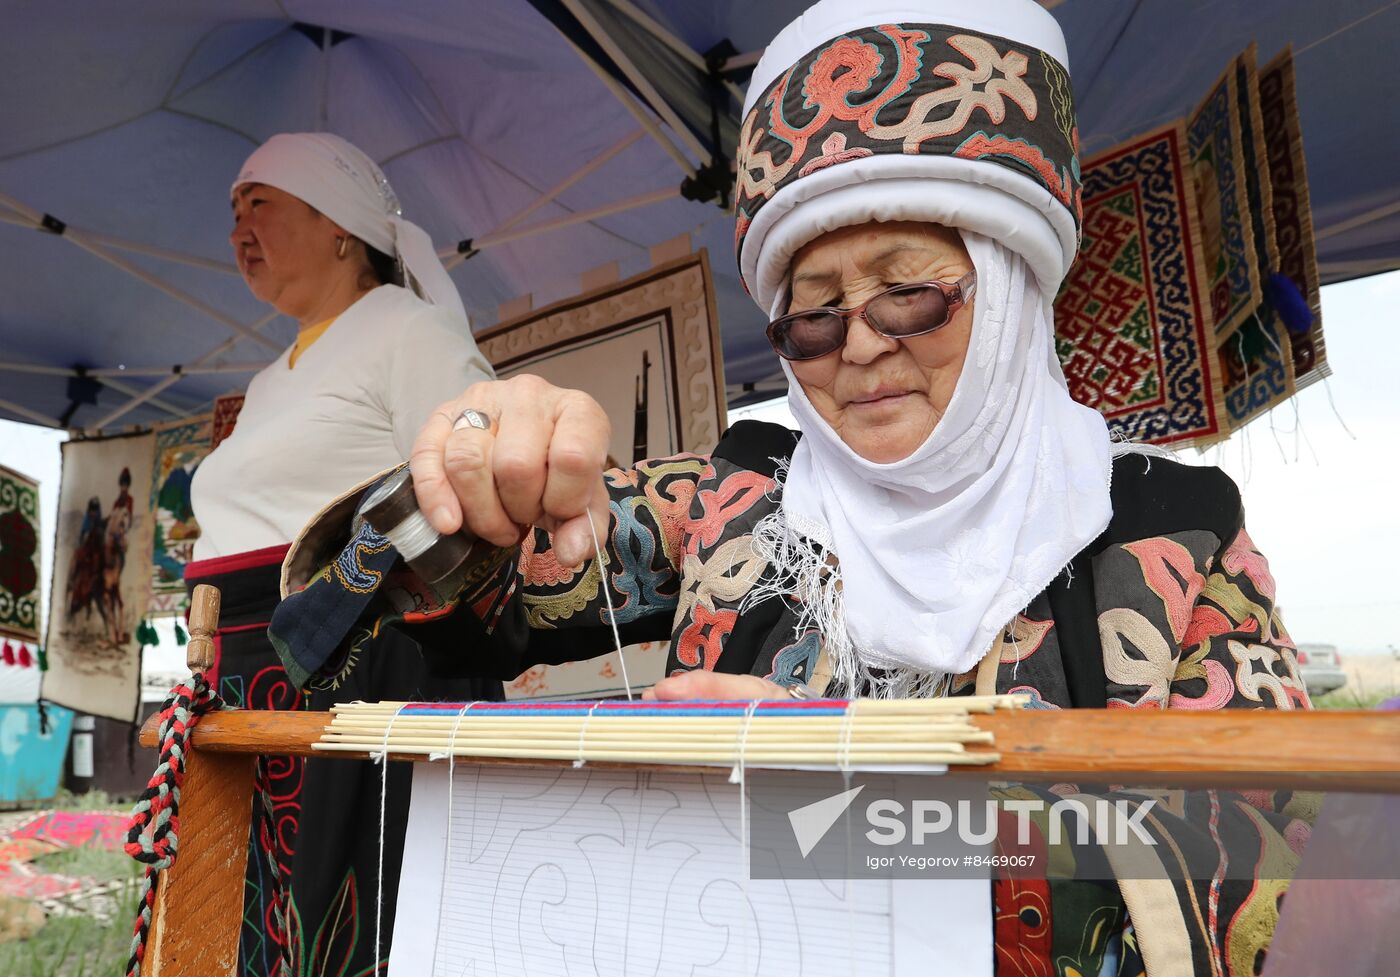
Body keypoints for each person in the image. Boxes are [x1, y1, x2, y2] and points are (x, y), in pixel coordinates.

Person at [281, 1, 1312, 970]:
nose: (858, 345)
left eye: (907, 290)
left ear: (1006, 289)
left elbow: (1255, 871)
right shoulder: (737, 494)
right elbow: (399, 618)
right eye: (812, 313)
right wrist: (475, 476)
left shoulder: (1174, 535)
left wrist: (850, 803)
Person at [184, 132, 497, 977]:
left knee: (345, 914)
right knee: (253, 913)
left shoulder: (407, 329)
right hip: (244, 673)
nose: (238, 228)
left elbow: (465, 486)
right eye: (233, 212)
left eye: (261, 204)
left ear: (339, 227)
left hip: (352, 668)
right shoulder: (268, 380)